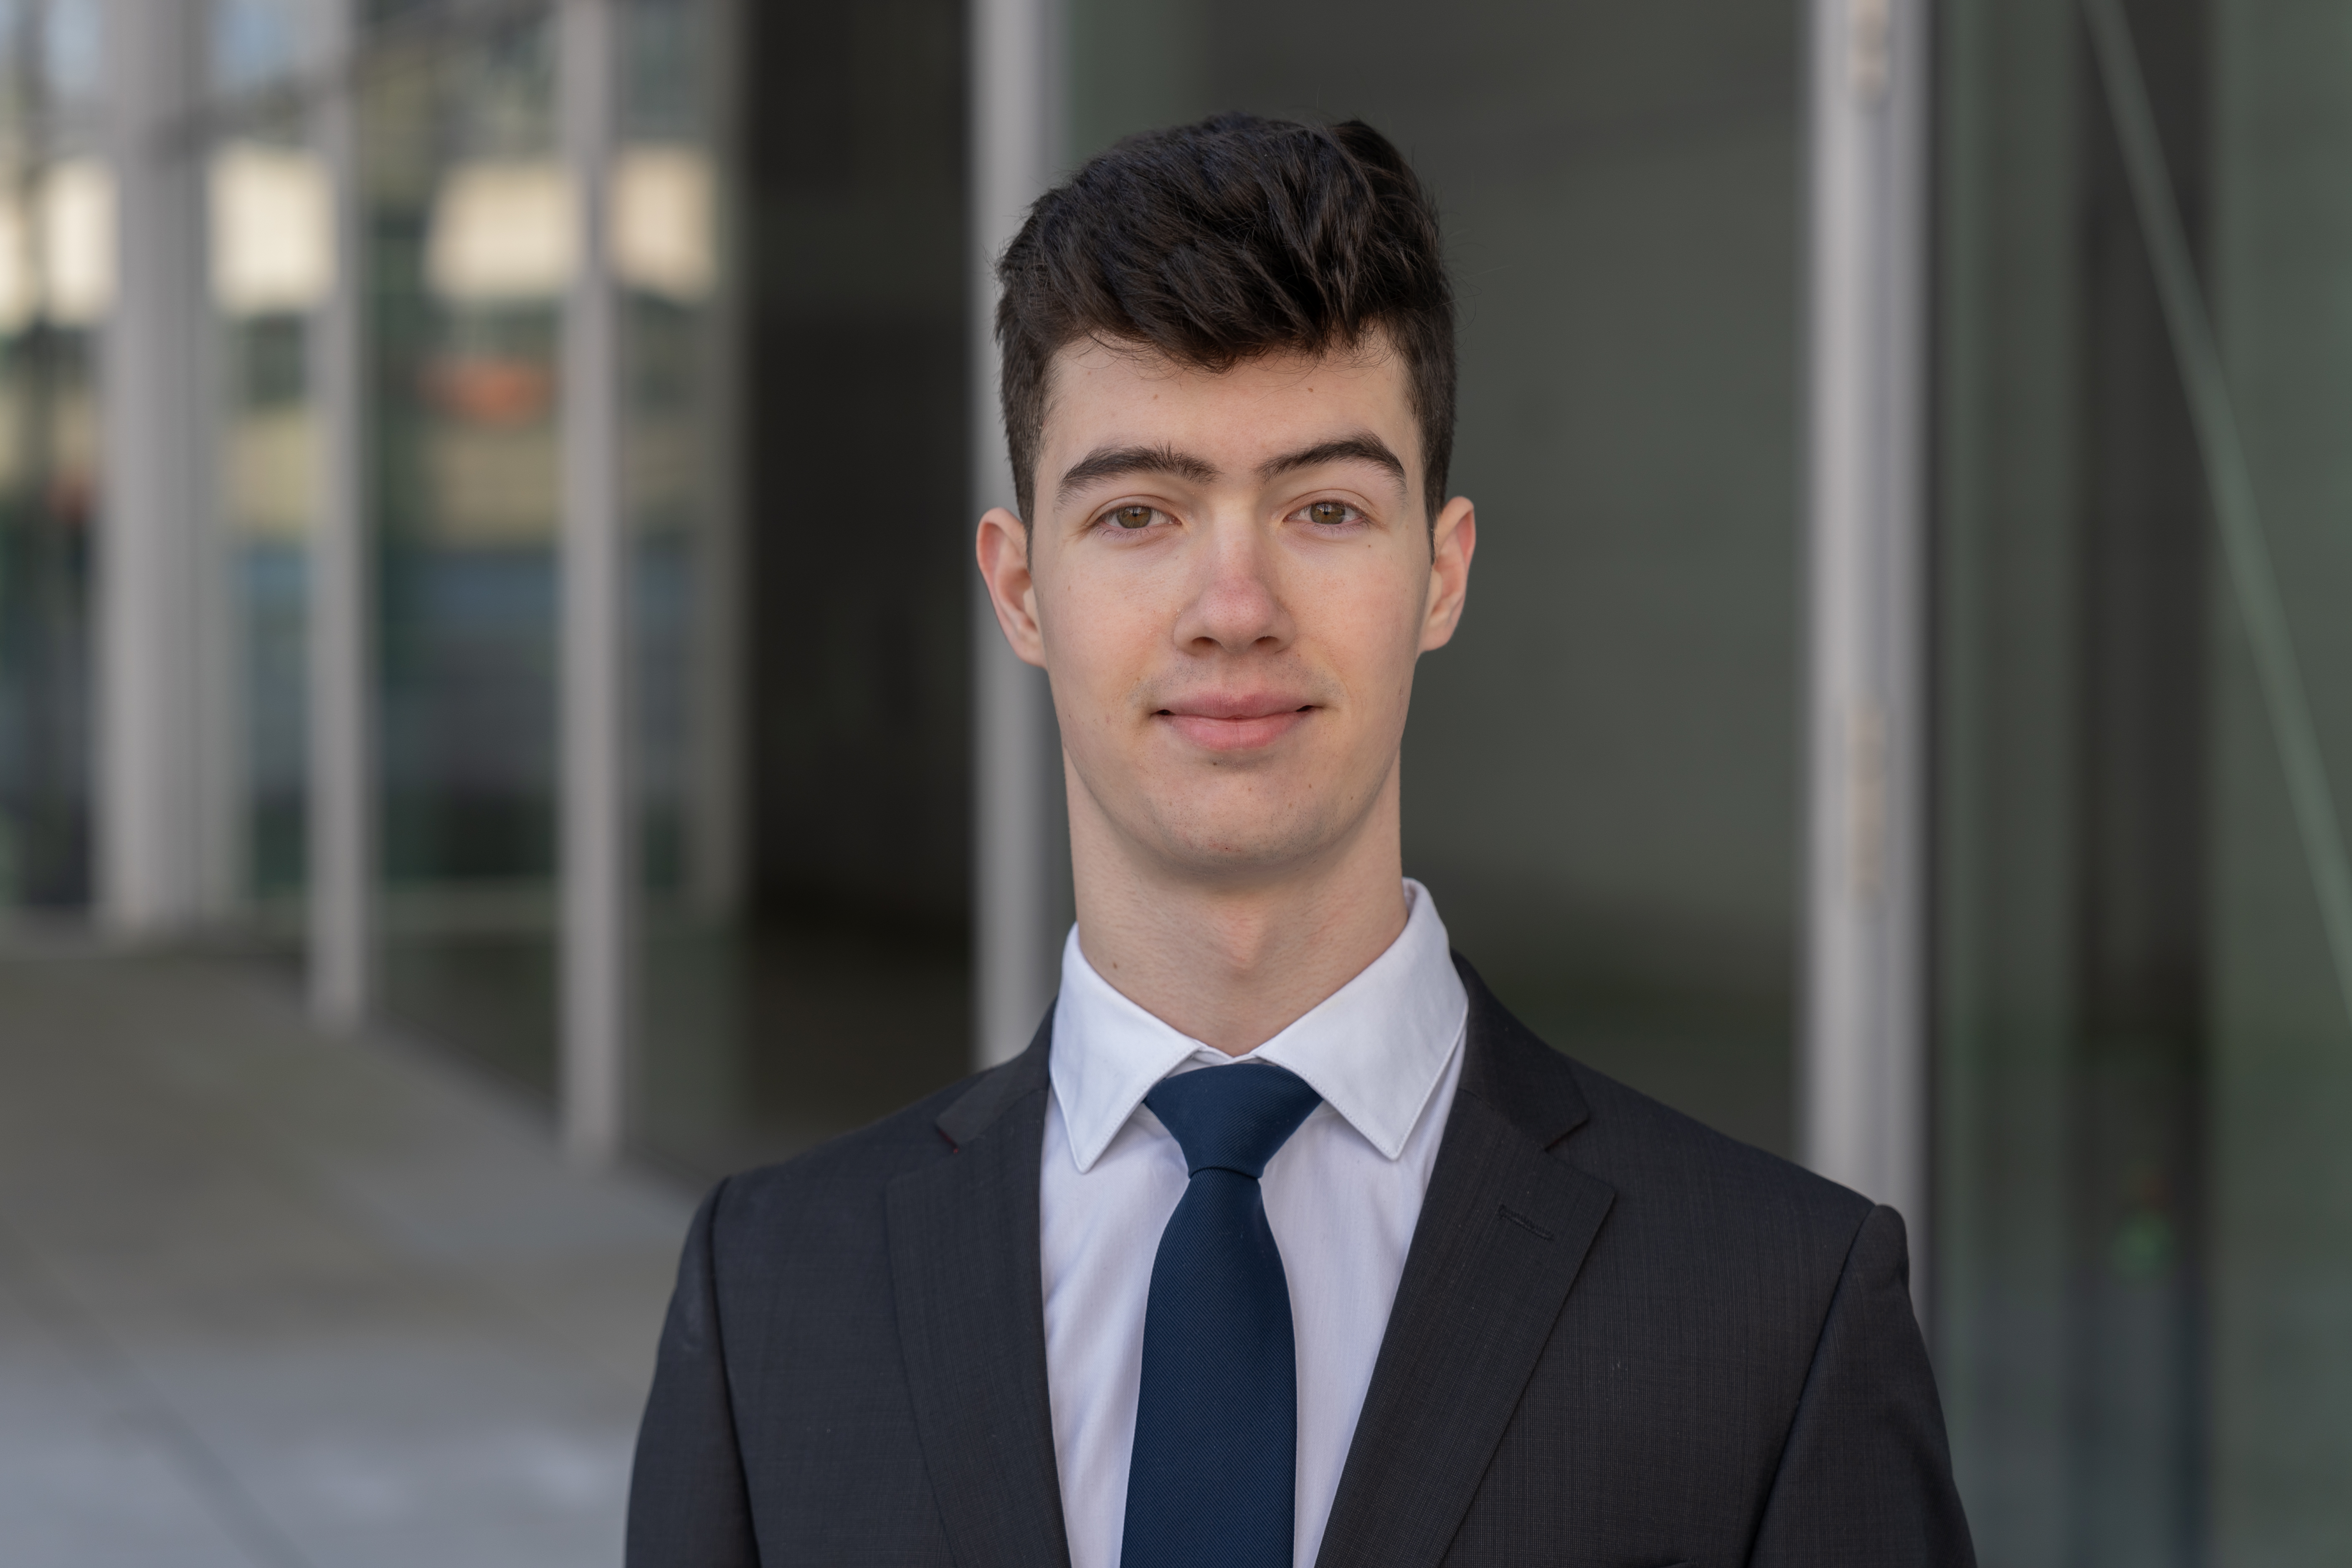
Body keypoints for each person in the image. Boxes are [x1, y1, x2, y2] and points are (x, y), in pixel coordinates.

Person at [626, 113, 1974, 1568]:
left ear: (1441, 573)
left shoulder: (1778, 1313)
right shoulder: (770, 1297)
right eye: (1139, 512)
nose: (1236, 603)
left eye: (1324, 507)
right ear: (1021, 591)